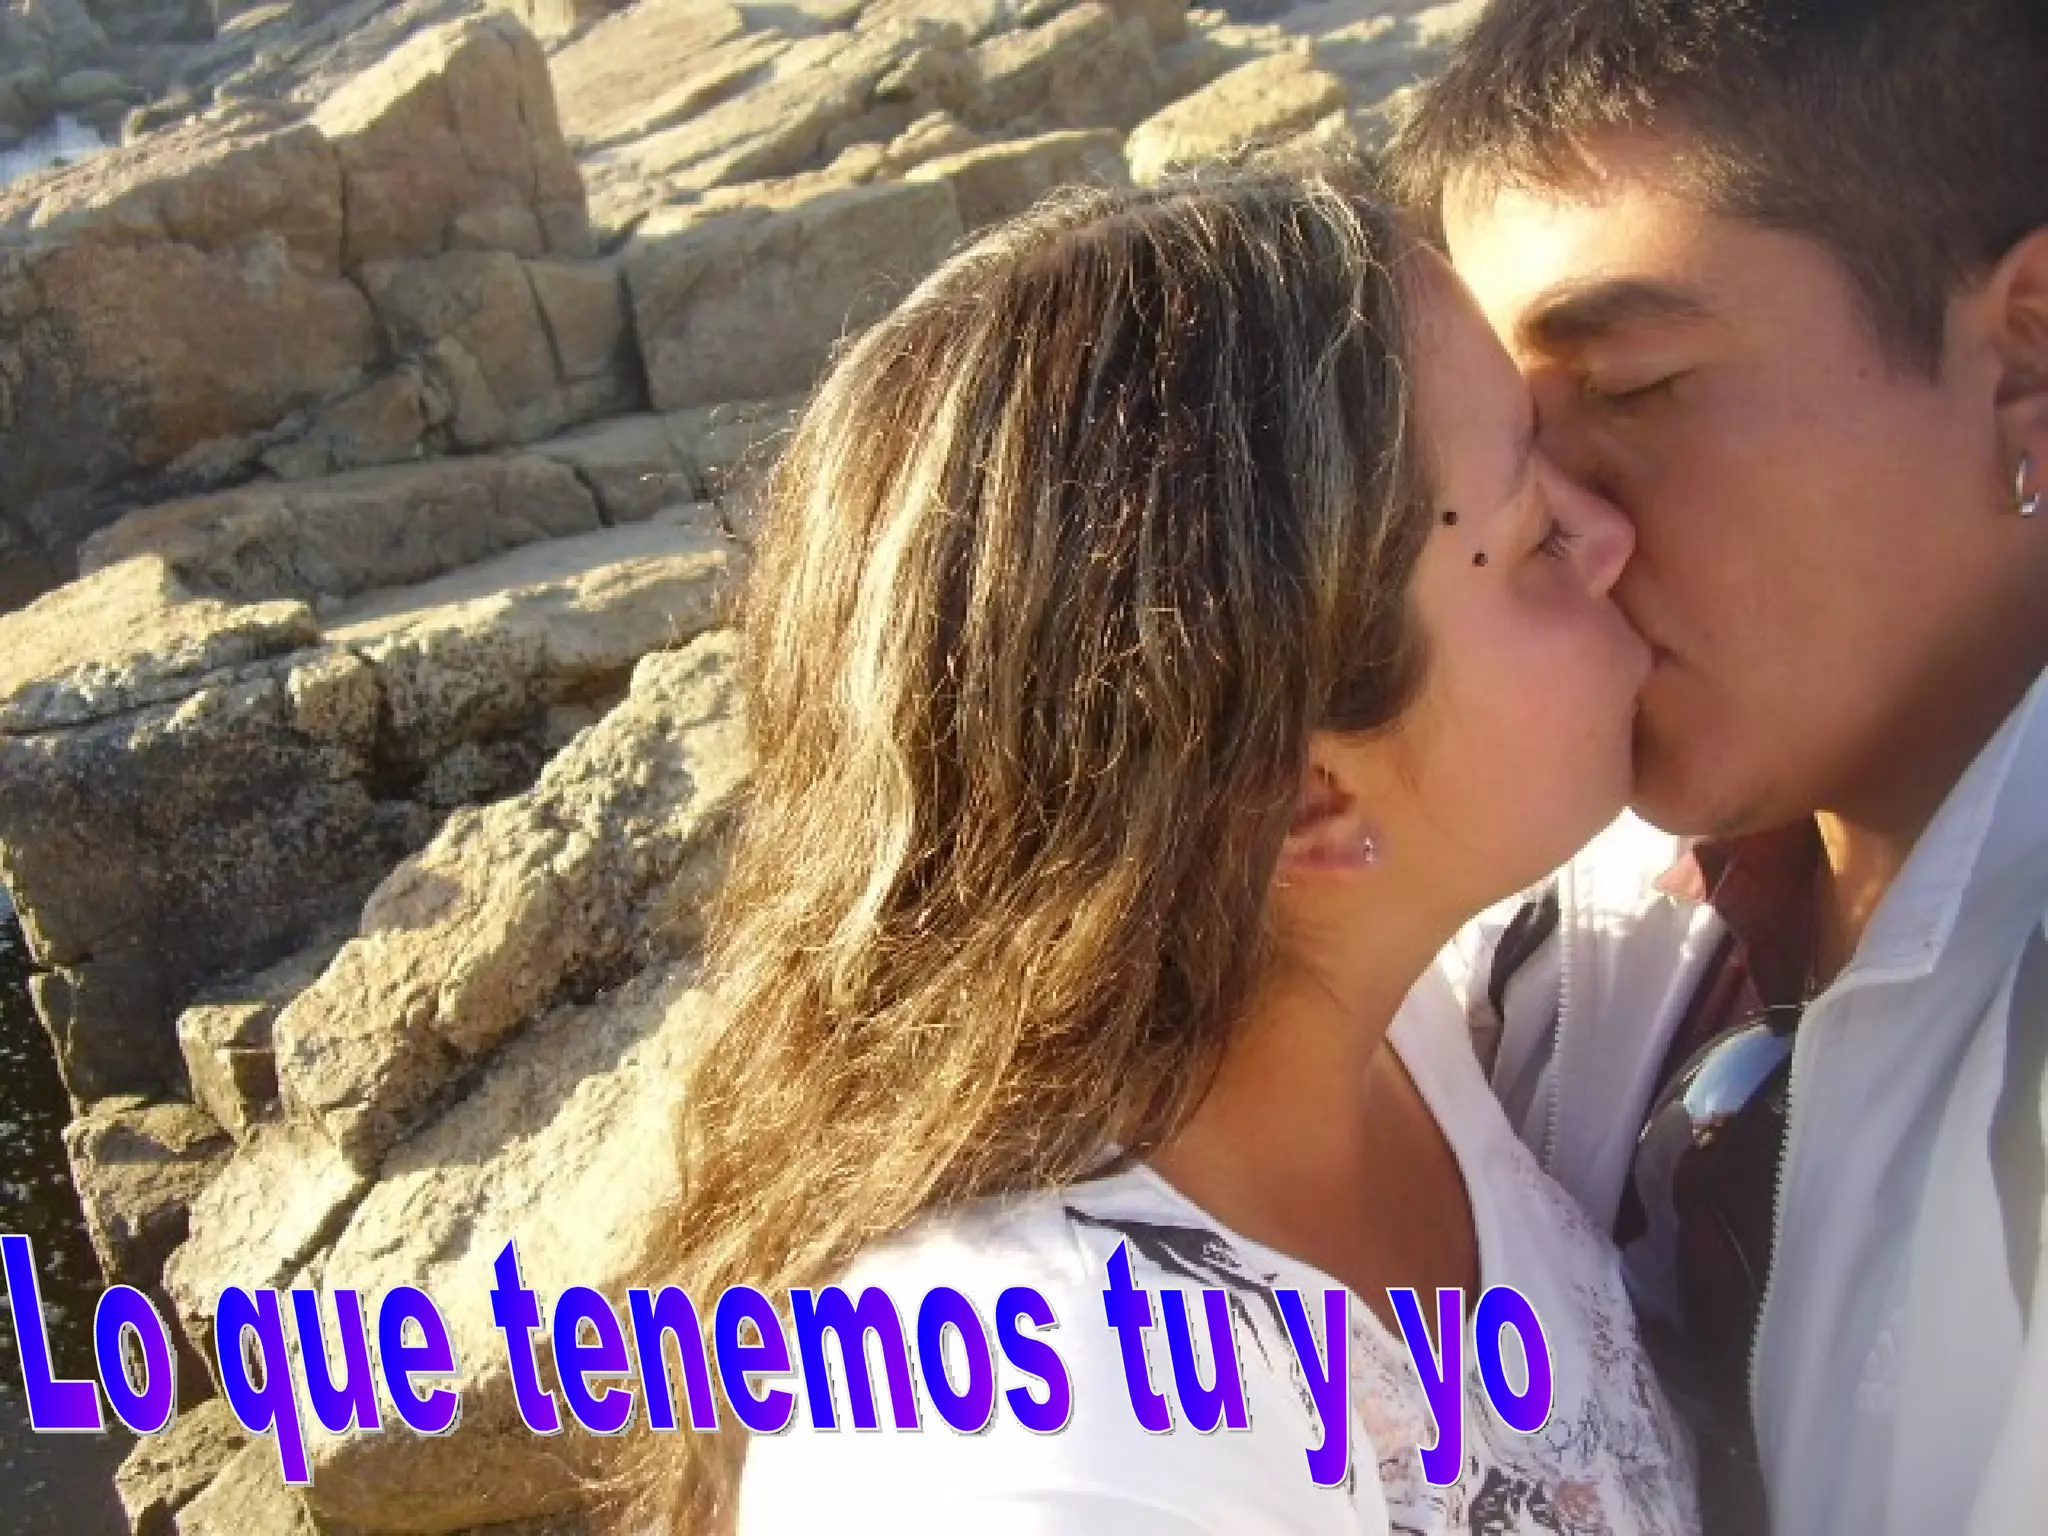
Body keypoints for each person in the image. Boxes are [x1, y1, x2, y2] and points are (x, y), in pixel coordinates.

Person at [620, 175, 1698, 1535]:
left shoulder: (1417, 1028)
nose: (1608, 536)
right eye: (1535, 535)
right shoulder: (1031, 1444)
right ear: (1305, 802)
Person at [1386, 2, 2048, 1533]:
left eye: (1631, 390)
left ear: (2025, 355)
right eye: (1503, 443)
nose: (1562, 531)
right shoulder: (1559, 878)